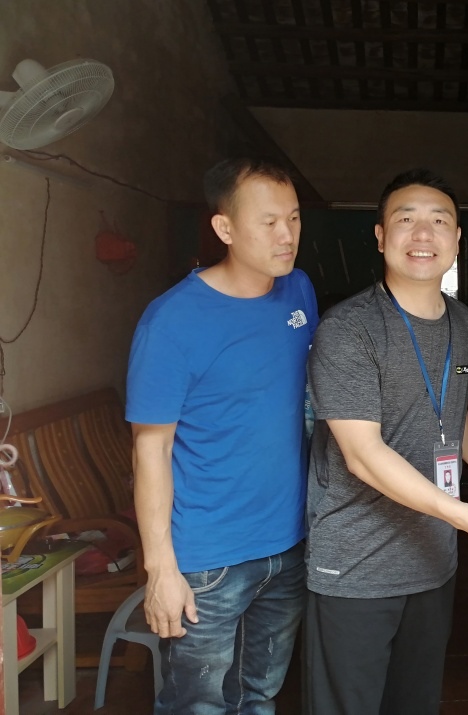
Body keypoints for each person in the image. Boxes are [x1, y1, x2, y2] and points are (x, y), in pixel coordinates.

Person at [304, 168, 468, 715]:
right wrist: (467, 517)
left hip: (433, 560)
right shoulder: (348, 330)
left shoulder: (463, 321)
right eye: (405, 219)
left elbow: (447, 411)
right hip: (357, 568)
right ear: (380, 236)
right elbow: (363, 456)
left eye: (438, 221)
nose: (422, 234)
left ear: (457, 239)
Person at [126, 157, 317, 714]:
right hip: (207, 560)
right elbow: (151, 448)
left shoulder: (298, 291)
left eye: (294, 218)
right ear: (225, 228)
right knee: (198, 705)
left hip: (288, 544)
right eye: (269, 222)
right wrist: (161, 568)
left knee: (259, 695)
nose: (287, 235)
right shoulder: (171, 321)